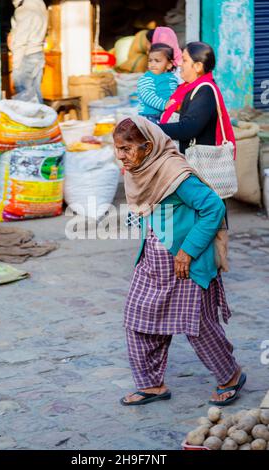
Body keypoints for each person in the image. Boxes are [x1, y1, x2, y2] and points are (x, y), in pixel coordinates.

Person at [113, 116, 246, 407]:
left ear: (148, 147)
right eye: (117, 148)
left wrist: (187, 252)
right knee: (138, 320)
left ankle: (230, 376)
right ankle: (151, 385)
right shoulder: (139, 170)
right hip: (154, 264)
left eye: (127, 148)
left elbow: (213, 208)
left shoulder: (175, 173)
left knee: (198, 326)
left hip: (186, 266)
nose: (120, 156)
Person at [158, 41, 235, 156]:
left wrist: (153, 128)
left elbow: (188, 128)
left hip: (199, 163)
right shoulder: (186, 88)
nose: (179, 64)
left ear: (198, 66)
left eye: (184, 60)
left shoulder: (205, 91)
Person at [9, 0, 48, 103]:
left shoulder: (24, 10)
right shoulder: (40, 6)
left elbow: (20, 41)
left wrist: (15, 67)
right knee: (35, 93)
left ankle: (32, 118)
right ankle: (41, 118)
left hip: (26, 55)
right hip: (38, 54)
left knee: (25, 97)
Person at [137, 43, 178, 124]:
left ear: (169, 65)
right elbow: (147, 95)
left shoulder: (172, 78)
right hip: (149, 116)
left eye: (157, 61)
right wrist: (164, 104)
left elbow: (175, 93)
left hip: (166, 114)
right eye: (150, 60)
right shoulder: (147, 78)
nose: (152, 64)